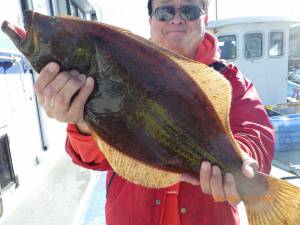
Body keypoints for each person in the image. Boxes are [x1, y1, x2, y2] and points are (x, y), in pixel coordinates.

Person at [34, 0, 275, 224]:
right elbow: (95, 158)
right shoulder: (120, 65)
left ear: (206, 18)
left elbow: (256, 134)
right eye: (165, 12)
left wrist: (240, 161)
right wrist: (84, 124)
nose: (176, 19)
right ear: (150, 20)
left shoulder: (232, 80)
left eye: (189, 11)